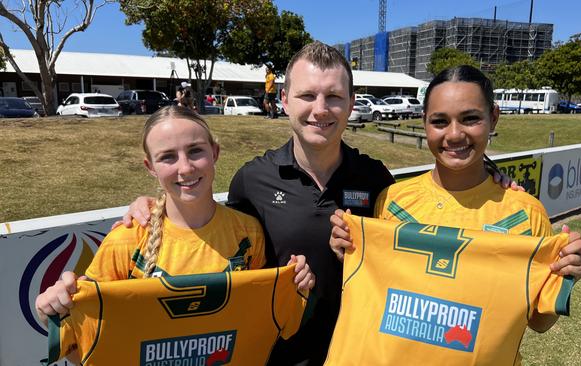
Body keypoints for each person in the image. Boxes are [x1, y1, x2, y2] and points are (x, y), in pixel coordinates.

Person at [120, 43, 525, 365]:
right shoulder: (253, 179)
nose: (320, 109)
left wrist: (491, 177)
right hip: (279, 356)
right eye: (307, 95)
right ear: (284, 100)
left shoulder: (376, 180)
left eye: (333, 96)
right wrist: (155, 204)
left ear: (351, 102)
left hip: (363, 354)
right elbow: (215, 236)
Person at [329, 65, 581, 356]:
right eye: (440, 121)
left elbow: (539, 322)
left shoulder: (526, 214)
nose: (454, 134)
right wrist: (350, 253)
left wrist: (565, 274)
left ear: (493, 117)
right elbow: (379, 295)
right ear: (424, 121)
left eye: (470, 119)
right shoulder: (392, 200)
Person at [35, 106, 315, 361]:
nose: (185, 167)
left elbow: (262, 328)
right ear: (150, 168)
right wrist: (54, 314)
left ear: (214, 152)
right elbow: (85, 352)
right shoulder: (126, 241)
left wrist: (297, 287)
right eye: (168, 157)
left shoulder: (248, 233)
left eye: (195, 150)